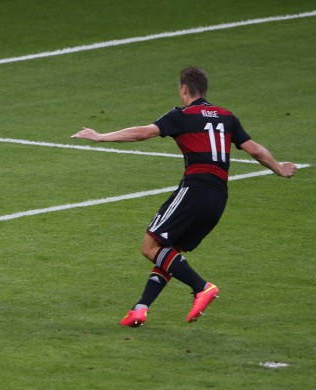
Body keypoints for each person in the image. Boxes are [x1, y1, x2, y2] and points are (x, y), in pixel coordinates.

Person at [71, 67, 296, 327]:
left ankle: (202, 287)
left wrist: (101, 137)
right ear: (204, 90)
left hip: (194, 190)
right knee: (169, 253)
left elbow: (143, 133)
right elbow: (255, 150)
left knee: (150, 247)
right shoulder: (227, 117)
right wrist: (279, 168)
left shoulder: (182, 115)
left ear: (184, 89)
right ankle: (140, 309)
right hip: (218, 198)